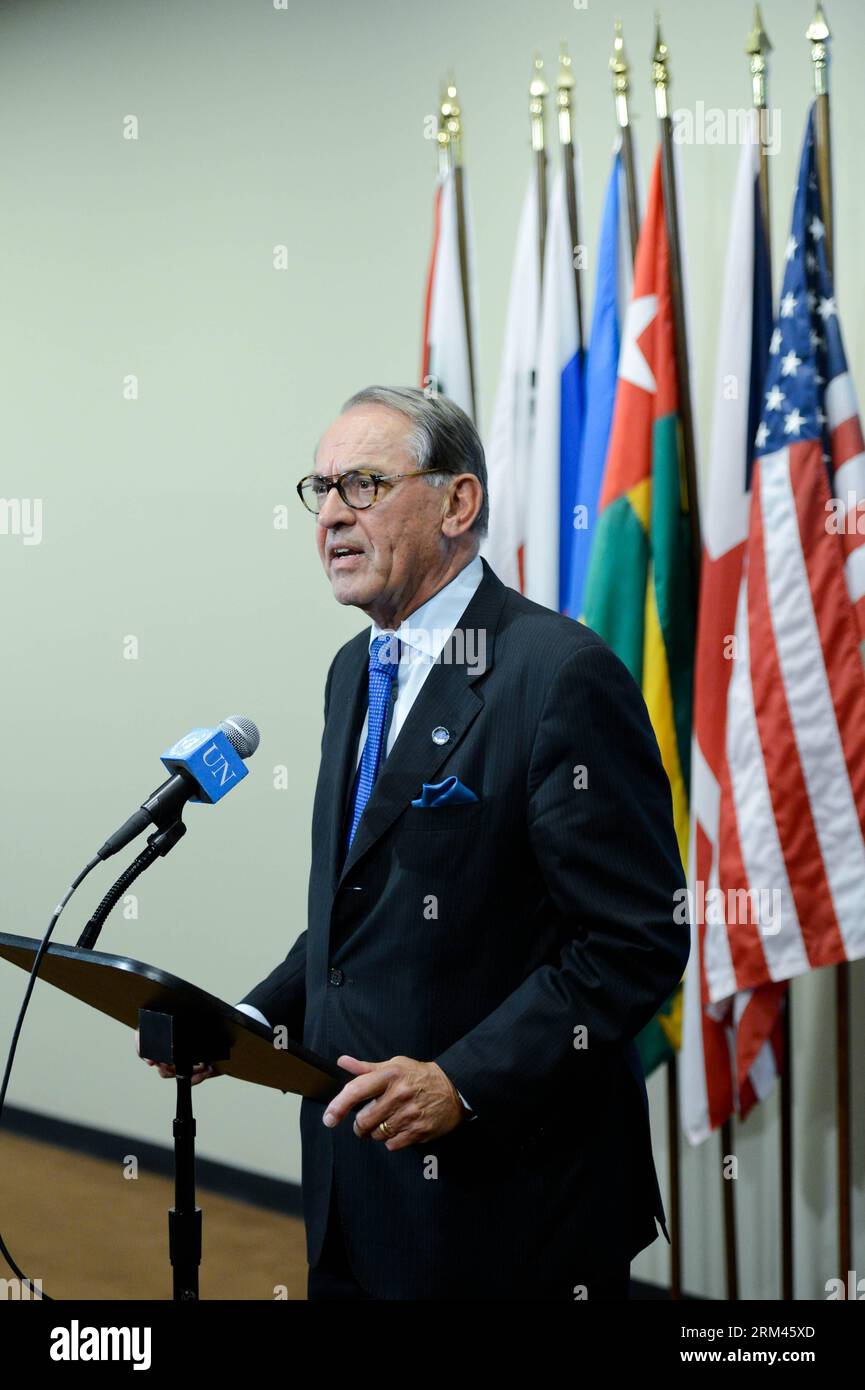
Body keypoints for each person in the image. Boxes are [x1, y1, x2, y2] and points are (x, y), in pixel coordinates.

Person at [139, 385, 689, 1301]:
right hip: (357, 1181)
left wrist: (462, 1082)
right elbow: (360, 916)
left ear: (457, 503)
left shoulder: (558, 676)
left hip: (510, 1203)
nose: (332, 519)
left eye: (362, 485)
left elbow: (634, 941)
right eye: (320, 491)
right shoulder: (354, 670)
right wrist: (244, 1021)